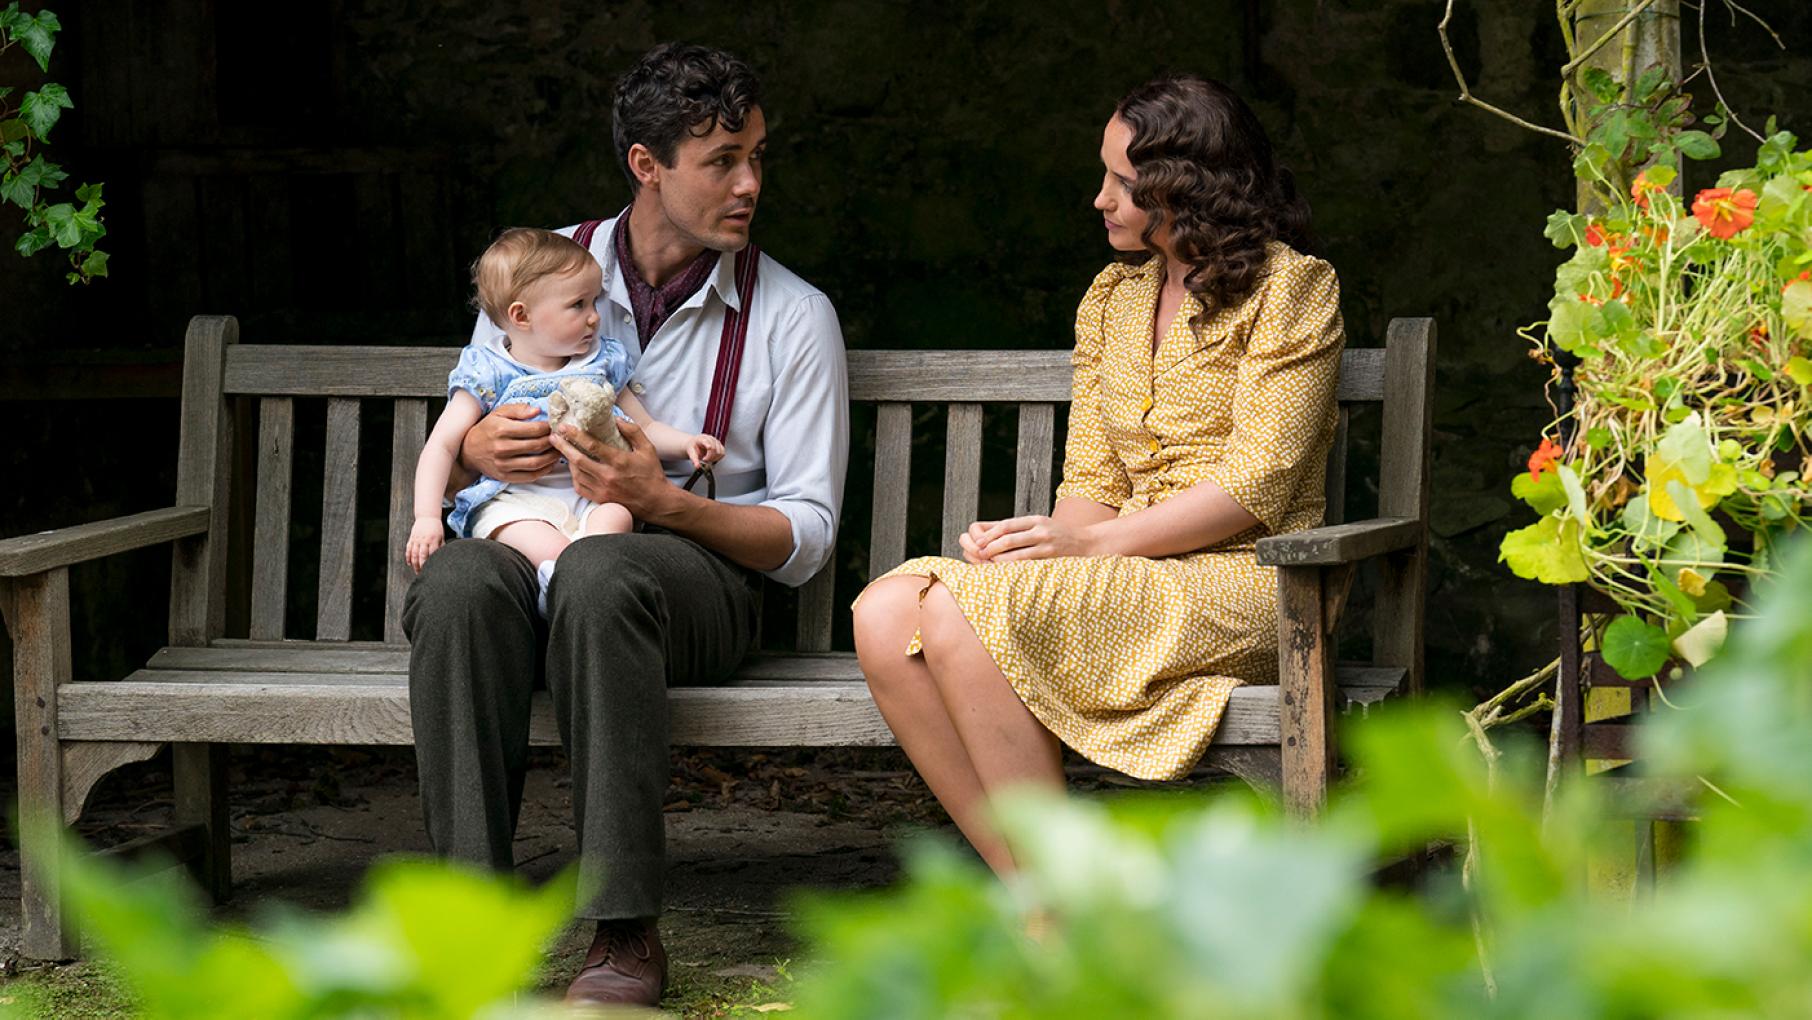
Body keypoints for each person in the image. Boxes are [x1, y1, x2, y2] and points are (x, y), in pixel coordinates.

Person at [403, 43, 848, 1008]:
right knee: (457, 583)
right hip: (535, 544)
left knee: (606, 578)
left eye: (758, 157)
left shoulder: (793, 316)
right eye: (722, 160)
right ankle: (468, 922)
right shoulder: (533, 265)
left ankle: (623, 931)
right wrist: (481, 452)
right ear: (647, 166)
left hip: (693, 581)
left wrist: (669, 504)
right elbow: (472, 409)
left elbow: (805, 538)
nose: (750, 184)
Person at [852, 74, 1344, 878]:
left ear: (1185, 187)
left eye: (1123, 180)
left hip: (1256, 583)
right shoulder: (1112, 298)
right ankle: (1043, 898)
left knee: (956, 617)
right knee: (883, 613)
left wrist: (1089, 547)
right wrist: (1037, 543)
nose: (1101, 199)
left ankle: (1054, 914)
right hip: (1127, 570)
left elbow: (1257, 484)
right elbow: (1089, 474)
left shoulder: (1293, 289)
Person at [405, 227, 725, 618]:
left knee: (617, 519)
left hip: (593, 496)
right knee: (543, 544)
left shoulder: (601, 363)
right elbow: (441, 445)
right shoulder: (488, 371)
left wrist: (688, 443)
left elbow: (641, 428)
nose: (594, 317)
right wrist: (425, 517)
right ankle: (558, 591)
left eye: (594, 302)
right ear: (521, 316)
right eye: (578, 305)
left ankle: (573, 592)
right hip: (517, 502)